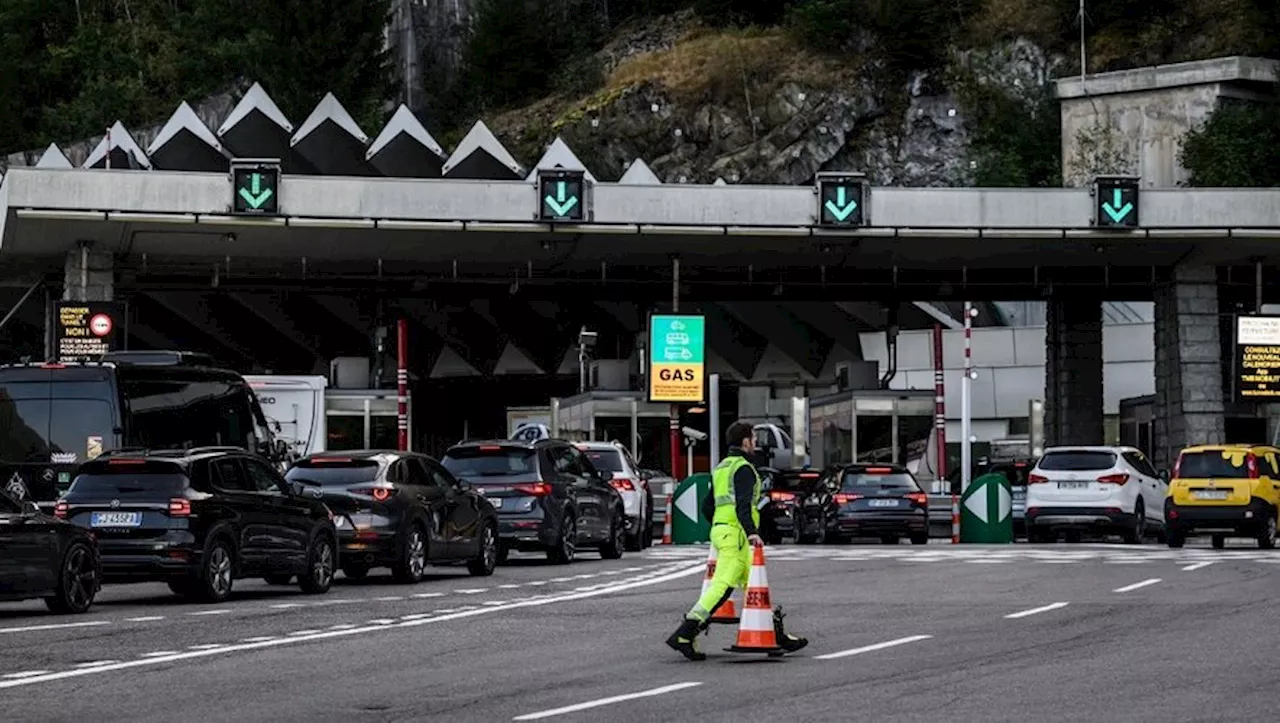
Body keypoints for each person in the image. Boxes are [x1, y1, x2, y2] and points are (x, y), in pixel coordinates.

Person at [665, 420, 808, 660]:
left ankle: (775, 634)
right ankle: (684, 632)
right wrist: (752, 531)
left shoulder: (722, 467)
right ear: (745, 441)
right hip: (737, 534)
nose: (755, 443)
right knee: (722, 586)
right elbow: (743, 505)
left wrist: (720, 526)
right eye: (753, 438)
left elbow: (707, 506)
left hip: (724, 531)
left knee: (753, 585)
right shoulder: (744, 469)